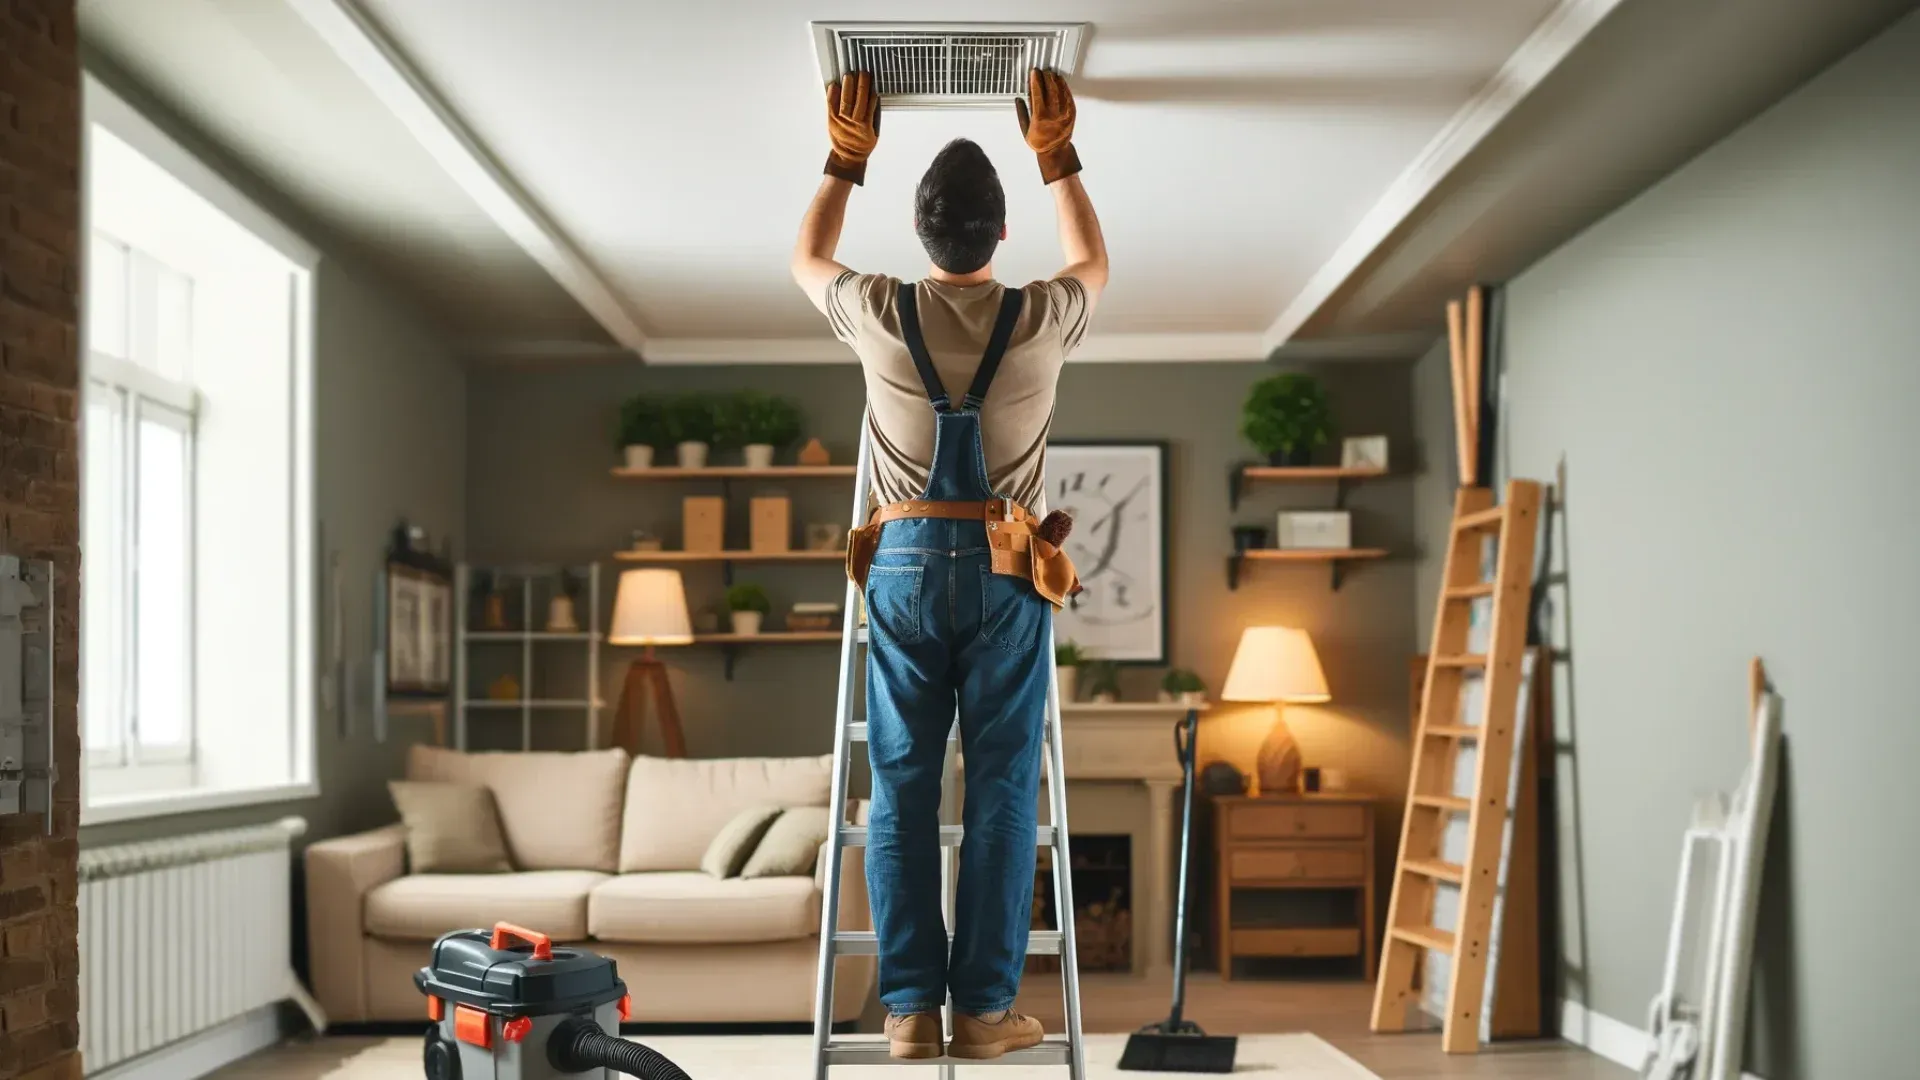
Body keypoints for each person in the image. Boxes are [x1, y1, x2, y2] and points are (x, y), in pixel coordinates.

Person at [790, 68, 1108, 1061]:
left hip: (902, 569)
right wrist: (1058, 155)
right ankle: (983, 1011)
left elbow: (807, 255)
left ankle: (908, 1013)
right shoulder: (1044, 316)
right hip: (1007, 570)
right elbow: (1094, 259)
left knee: (902, 785)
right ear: (1000, 235)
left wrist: (848, 157)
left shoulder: (879, 310)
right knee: (1005, 785)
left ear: (923, 236)